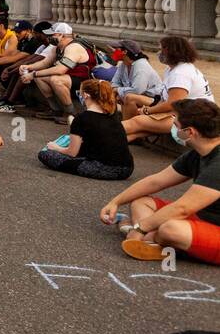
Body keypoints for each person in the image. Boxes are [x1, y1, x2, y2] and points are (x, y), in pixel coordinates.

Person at [99, 99, 220, 265]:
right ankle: (156, 240)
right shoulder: (198, 153)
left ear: (190, 132)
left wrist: (140, 228)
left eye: (175, 124)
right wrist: (116, 202)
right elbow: (156, 181)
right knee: (141, 202)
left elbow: (183, 208)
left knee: (170, 229)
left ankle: (152, 238)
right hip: (205, 219)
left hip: (212, 226)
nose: (174, 128)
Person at [123, 36, 215, 143]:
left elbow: (172, 103)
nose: (159, 53)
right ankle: (117, 141)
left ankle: (105, 134)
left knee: (137, 122)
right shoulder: (174, 68)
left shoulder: (181, 73)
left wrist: (147, 111)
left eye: (162, 50)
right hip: (183, 112)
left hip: (193, 119)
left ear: (172, 52)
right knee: (132, 108)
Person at [38, 79, 133, 181]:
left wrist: (55, 147)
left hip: (106, 169)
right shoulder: (111, 114)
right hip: (127, 168)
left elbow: (72, 152)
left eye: (80, 93)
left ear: (86, 95)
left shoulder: (82, 118)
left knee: (45, 154)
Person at [21, 22, 90, 122]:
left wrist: (33, 74)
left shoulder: (73, 47)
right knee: (39, 77)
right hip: (69, 77)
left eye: (52, 35)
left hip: (83, 79)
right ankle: (55, 110)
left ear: (62, 35)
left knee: (56, 80)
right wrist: (28, 67)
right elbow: (45, 63)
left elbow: (61, 69)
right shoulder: (57, 47)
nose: (49, 37)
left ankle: (71, 113)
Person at [0, 21, 53, 113]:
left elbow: (32, 60)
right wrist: (9, 69)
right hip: (37, 67)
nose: (35, 36)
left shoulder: (47, 45)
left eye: (36, 34)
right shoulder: (41, 45)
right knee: (18, 69)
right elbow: (28, 58)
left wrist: (10, 70)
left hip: (48, 69)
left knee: (22, 71)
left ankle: (11, 102)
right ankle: (6, 99)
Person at [108, 39, 164, 111]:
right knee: (119, 95)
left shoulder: (141, 66)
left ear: (125, 52)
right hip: (138, 95)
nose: (113, 51)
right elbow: (115, 82)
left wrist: (117, 90)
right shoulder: (124, 64)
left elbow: (137, 90)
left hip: (154, 99)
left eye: (116, 49)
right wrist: (116, 90)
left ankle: (128, 121)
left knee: (127, 97)